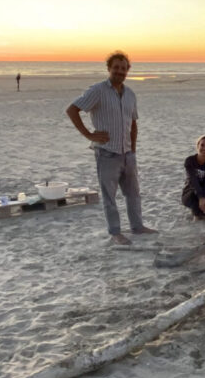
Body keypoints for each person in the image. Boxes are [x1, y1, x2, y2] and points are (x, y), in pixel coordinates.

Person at [66, 51, 156, 245]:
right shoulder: (97, 91)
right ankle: (115, 232)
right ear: (109, 68)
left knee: (133, 193)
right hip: (107, 153)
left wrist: (133, 148)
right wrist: (88, 134)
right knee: (110, 196)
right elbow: (72, 109)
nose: (119, 71)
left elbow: (133, 123)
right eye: (116, 67)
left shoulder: (130, 94)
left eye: (123, 68)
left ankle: (137, 227)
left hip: (127, 153)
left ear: (127, 71)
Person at [182, 135, 205, 220]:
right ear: (197, 146)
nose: (204, 148)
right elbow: (193, 181)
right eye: (202, 145)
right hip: (191, 191)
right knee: (193, 196)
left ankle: (201, 211)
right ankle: (197, 215)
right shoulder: (189, 161)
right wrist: (201, 197)